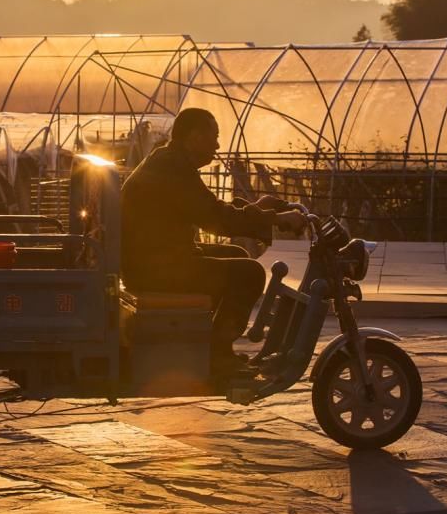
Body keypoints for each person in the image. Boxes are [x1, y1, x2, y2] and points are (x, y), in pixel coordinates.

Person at [120, 107, 308, 374]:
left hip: (154, 259)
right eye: (214, 136)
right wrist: (274, 219)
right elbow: (217, 218)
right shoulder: (173, 168)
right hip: (154, 269)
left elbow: (210, 209)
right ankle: (217, 355)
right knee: (250, 273)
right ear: (194, 137)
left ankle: (212, 346)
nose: (218, 145)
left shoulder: (169, 161)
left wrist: (259, 209)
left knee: (237, 255)